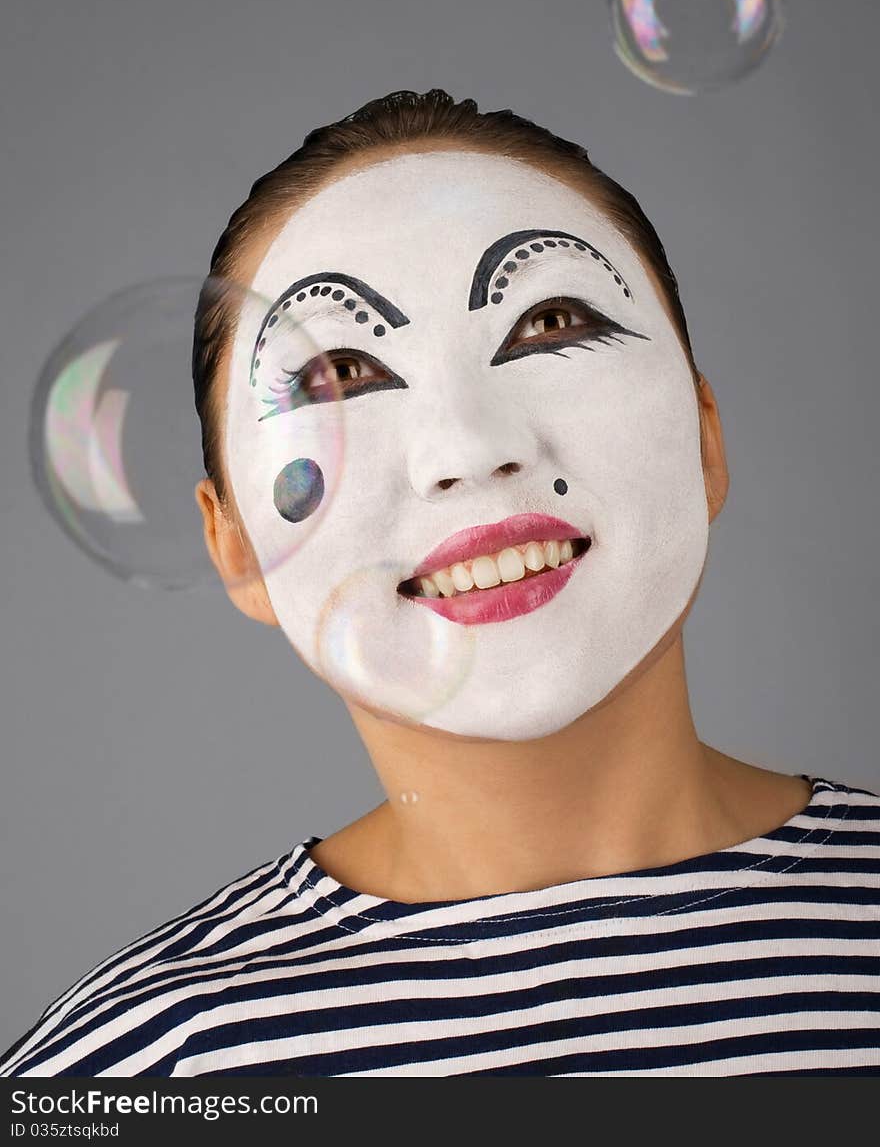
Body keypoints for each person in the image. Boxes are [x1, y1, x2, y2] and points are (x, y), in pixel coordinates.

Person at [2, 88, 878, 1078]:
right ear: (237, 542)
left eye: (550, 321)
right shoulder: (142, 1069)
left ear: (704, 436)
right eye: (336, 377)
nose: (468, 448)